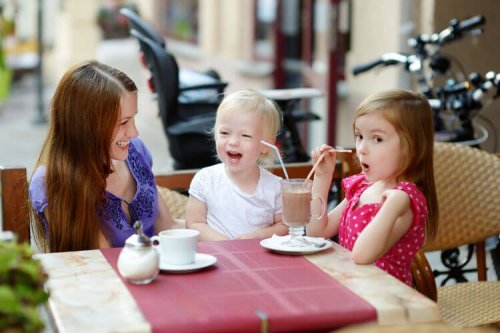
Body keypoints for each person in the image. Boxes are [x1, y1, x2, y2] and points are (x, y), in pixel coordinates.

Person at [29, 60, 175, 252]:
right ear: (87, 127)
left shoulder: (136, 151)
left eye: (133, 119)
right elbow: (97, 262)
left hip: (155, 273)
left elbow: (168, 227)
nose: (134, 132)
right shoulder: (52, 181)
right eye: (123, 122)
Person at [307, 89, 439, 287]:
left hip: (386, 302)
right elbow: (316, 232)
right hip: (353, 290)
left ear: (411, 147)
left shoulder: (406, 200)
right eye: (359, 136)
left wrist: (392, 205)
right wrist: (322, 177)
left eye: (377, 139)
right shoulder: (363, 186)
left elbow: (361, 256)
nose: (362, 148)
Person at [185, 89, 288, 241]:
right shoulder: (205, 179)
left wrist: (257, 236)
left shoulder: (275, 187)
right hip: (217, 258)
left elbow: (284, 227)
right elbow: (194, 223)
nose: (233, 142)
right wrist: (228, 245)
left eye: (245, 135)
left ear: (266, 145)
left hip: (259, 260)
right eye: (225, 133)